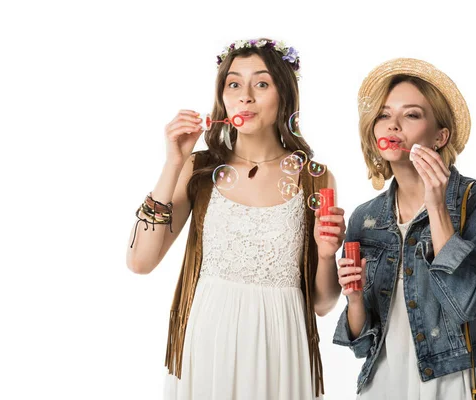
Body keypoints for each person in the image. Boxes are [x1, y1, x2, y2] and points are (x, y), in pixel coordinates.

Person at [126, 38, 344, 400]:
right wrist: (173, 163)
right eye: (233, 83)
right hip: (211, 338)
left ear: (284, 96)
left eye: (261, 83)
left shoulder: (314, 178)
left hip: (282, 342)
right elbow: (140, 260)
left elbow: (322, 304)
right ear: (222, 98)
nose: (245, 96)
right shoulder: (199, 169)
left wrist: (325, 255)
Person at [333, 58, 476, 399]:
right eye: (384, 114)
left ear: (440, 136)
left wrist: (436, 206)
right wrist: (356, 299)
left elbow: (464, 306)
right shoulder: (365, 218)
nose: (392, 126)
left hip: (453, 380)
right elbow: (361, 344)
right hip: (384, 383)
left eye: (411, 114)